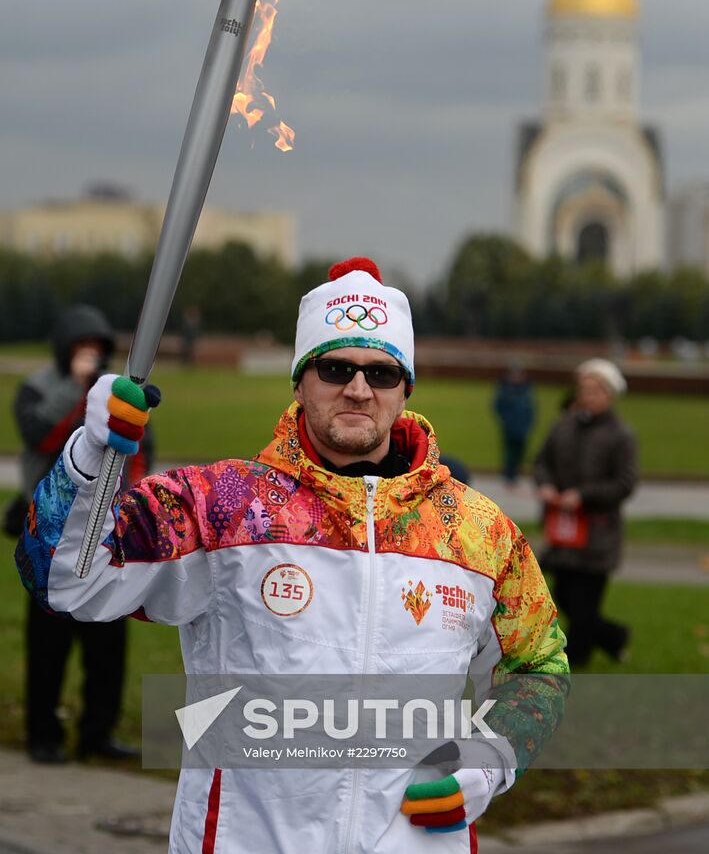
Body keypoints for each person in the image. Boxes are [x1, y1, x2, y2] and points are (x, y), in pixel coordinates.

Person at [17, 259, 568, 853]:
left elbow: (538, 668)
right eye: (336, 368)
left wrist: (483, 762)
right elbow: (60, 578)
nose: (359, 389)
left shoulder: (479, 533)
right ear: (300, 382)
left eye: (382, 373)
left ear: (406, 388)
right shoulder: (222, 507)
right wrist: (90, 456)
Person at [13, 304, 152, 763]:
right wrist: (78, 391)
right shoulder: (37, 388)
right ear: (65, 349)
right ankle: (43, 734)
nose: (90, 357)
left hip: (109, 533)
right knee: (49, 646)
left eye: (97, 350)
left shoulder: (119, 393)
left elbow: (139, 452)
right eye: (81, 349)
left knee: (107, 643)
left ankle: (98, 732)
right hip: (51, 535)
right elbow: (41, 436)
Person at [533, 358, 637, 668]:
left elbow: (625, 482)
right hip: (562, 532)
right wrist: (547, 486)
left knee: (583, 607)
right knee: (563, 596)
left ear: (609, 394)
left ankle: (576, 664)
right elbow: (541, 462)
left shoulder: (621, 435)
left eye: (594, 390)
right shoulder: (563, 426)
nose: (587, 395)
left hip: (598, 534)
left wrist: (584, 497)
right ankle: (615, 637)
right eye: (583, 388)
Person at [492, 361, 535, 485]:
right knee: (509, 451)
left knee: (520, 450)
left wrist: (529, 422)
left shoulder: (527, 388)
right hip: (509, 426)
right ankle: (508, 474)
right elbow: (497, 406)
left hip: (523, 425)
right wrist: (505, 420)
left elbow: (531, 408)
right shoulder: (504, 388)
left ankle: (515, 473)